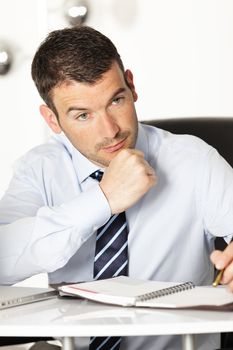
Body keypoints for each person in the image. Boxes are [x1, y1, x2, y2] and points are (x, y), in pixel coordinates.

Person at [0, 25, 233, 350]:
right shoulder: (39, 170)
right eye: (83, 115)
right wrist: (102, 200)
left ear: (132, 85)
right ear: (52, 120)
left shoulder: (195, 161)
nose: (110, 131)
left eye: (116, 100)